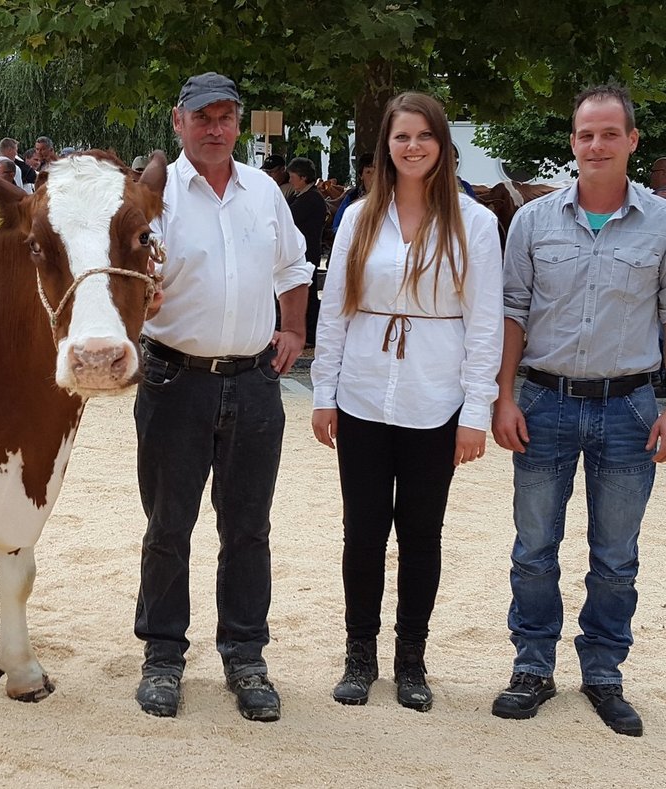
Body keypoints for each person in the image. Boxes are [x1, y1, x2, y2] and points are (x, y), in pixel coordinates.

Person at [491, 84, 666, 738]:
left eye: (611, 133)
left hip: (629, 408)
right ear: (572, 142)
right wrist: (502, 394)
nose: (597, 145)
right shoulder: (532, 222)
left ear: (633, 141)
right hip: (544, 401)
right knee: (534, 548)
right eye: (586, 134)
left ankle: (604, 673)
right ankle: (532, 665)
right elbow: (512, 315)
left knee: (616, 555)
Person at [311, 92, 503, 711]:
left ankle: (412, 658)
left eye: (423, 136)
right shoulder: (361, 216)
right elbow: (335, 311)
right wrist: (324, 392)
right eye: (401, 138)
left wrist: (476, 411)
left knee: (422, 533)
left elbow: (485, 324)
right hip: (364, 392)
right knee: (361, 532)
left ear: (442, 145)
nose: (412, 147)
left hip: (434, 397)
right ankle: (359, 653)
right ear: (386, 147)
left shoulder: (472, 223)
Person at [133, 71, 312, 724]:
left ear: (239, 125)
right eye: (202, 116)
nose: (215, 127)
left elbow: (293, 267)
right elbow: (128, 274)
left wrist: (293, 328)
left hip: (255, 382)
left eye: (226, 117)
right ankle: (162, 656)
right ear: (177, 122)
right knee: (169, 525)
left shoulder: (263, 191)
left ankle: (245, 655)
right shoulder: (154, 195)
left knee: (248, 528)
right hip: (175, 378)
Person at [284, 157, 328, 346]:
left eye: (293, 176)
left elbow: (288, 217)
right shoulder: (299, 195)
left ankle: (311, 333)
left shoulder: (311, 198)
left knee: (308, 294)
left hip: (307, 253)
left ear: (303, 178)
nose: (291, 180)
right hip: (300, 253)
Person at [331, 153, 374, 232]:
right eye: (368, 172)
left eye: (377, 172)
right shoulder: (352, 197)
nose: (373, 176)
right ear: (361, 176)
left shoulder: (390, 198)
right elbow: (337, 226)